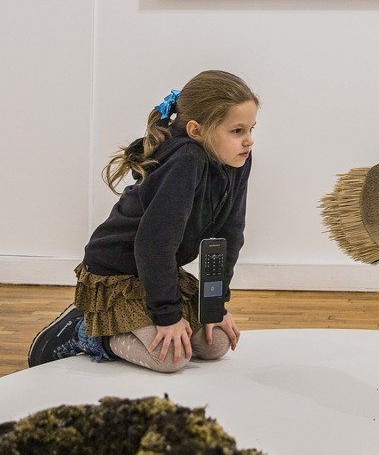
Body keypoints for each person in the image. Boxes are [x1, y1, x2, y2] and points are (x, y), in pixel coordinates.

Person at [28, 70, 259, 373]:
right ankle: (84, 330)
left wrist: (215, 305)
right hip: (117, 271)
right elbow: (154, 244)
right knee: (170, 358)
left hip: (154, 269)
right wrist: (167, 317)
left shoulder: (237, 162)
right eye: (237, 131)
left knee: (215, 343)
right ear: (196, 130)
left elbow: (230, 236)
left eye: (252, 129)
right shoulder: (186, 160)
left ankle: (129, 323)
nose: (249, 141)